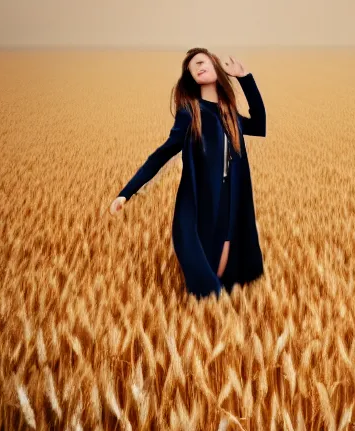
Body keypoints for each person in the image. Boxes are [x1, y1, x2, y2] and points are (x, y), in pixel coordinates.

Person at [109, 48, 267, 299]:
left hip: (231, 198)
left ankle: (219, 312)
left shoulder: (228, 112)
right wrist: (126, 193)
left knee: (226, 263)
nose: (198, 67)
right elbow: (162, 153)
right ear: (190, 77)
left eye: (202, 62)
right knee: (205, 269)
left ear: (216, 66)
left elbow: (259, 125)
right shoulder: (190, 112)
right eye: (193, 67)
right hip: (202, 200)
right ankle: (209, 310)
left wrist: (244, 77)